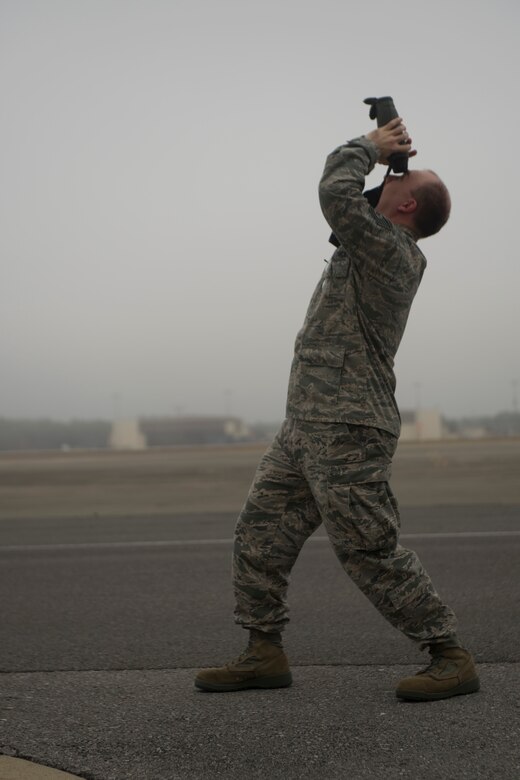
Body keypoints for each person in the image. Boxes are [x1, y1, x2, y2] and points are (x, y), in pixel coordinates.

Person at [195, 117, 479, 702]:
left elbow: (335, 192)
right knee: (259, 534)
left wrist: (369, 150)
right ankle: (263, 651)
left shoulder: (393, 253)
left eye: (401, 178)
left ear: (407, 208)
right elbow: (350, 206)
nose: (390, 178)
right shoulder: (365, 244)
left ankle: (449, 653)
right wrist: (384, 148)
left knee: (367, 548)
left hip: (349, 428)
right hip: (305, 426)